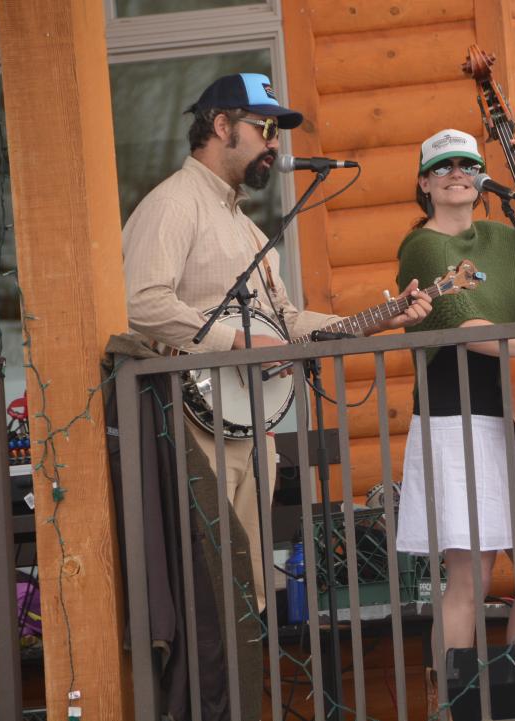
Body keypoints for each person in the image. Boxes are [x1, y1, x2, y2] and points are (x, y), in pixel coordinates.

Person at [122, 72, 432, 612]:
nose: (274, 142)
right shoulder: (173, 204)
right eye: (265, 127)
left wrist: (377, 320)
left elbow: (283, 322)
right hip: (191, 428)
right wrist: (234, 341)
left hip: (249, 429)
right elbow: (142, 302)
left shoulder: (246, 227)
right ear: (221, 126)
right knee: (204, 582)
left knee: (249, 592)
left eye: (277, 131)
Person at [394, 128, 515, 651]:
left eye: (466, 165)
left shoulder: (500, 237)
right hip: (456, 419)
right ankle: (456, 704)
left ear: (481, 179)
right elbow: (469, 331)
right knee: (470, 580)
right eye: (443, 167)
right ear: (425, 184)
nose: (457, 174)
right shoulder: (422, 246)